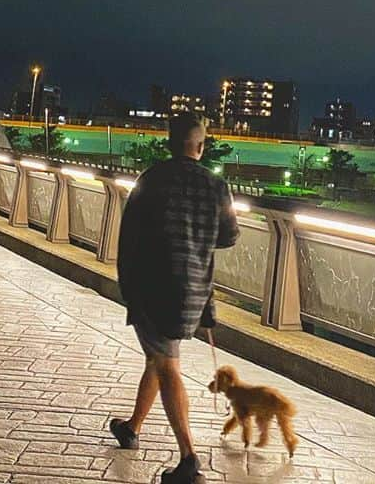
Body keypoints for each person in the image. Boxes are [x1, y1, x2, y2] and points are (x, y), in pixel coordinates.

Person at [110, 113, 239, 483]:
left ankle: (189, 460)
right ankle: (132, 428)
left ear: (169, 143)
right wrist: (197, 234)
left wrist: (128, 286)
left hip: (153, 289)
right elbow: (230, 236)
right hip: (194, 291)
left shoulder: (152, 179)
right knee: (160, 357)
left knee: (166, 365)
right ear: (200, 146)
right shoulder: (216, 186)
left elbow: (129, 234)